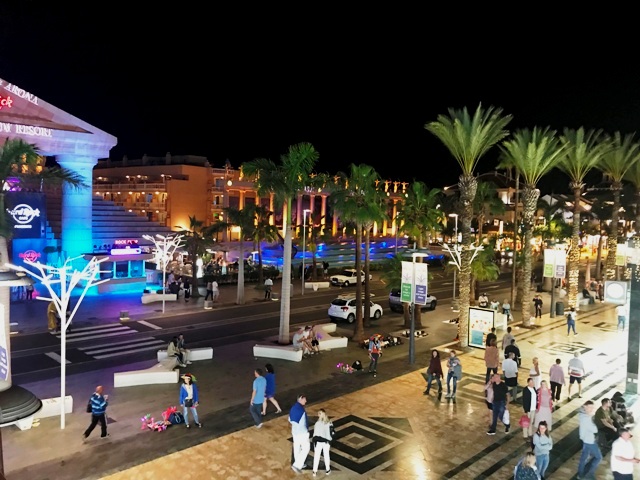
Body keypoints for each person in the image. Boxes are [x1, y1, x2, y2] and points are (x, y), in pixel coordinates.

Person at [578, 400, 603, 480]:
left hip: (585, 439)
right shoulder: (587, 418)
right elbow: (595, 429)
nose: (591, 409)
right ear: (585, 407)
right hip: (589, 440)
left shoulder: (582, 415)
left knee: (584, 457)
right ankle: (589, 474)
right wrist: (593, 422)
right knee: (598, 457)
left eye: (592, 407)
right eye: (590, 407)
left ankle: (580, 474)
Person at [289, 394, 310, 474]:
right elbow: (303, 422)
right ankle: (297, 465)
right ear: (300, 399)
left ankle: (299, 463)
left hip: (295, 432)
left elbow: (290, 419)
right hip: (302, 433)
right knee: (306, 448)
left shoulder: (293, 408)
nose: (306, 401)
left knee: (297, 447)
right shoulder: (301, 410)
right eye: (304, 399)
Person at [311, 408, 333, 476]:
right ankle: (327, 470)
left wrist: (314, 441)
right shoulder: (329, 423)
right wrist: (330, 440)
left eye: (319, 413)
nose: (318, 415)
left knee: (316, 456)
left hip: (318, 442)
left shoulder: (317, 423)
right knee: (326, 455)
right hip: (326, 442)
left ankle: (314, 471)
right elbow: (330, 434)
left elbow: (315, 434)